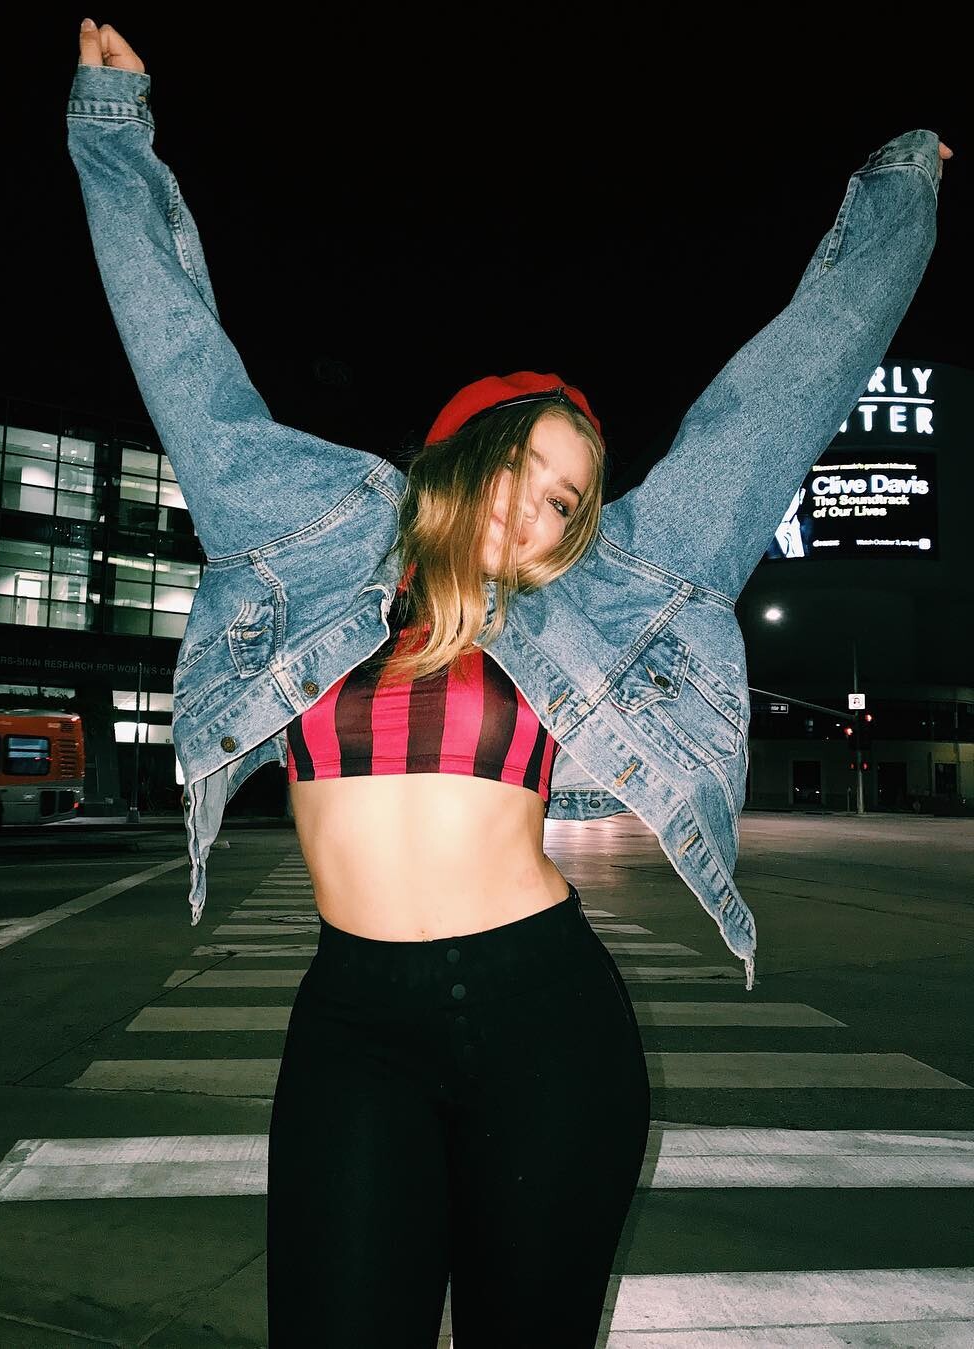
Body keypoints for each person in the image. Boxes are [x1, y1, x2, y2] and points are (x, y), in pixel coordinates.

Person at [68, 21, 950, 1348]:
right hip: (353, 1023)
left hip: (548, 1024)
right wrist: (111, 128)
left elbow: (769, 413)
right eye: (528, 471)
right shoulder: (308, 542)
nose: (542, 514)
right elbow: (185, 367)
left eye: (568, 503)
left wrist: (896, 203)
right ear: (457, 453)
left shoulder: (593, 598)